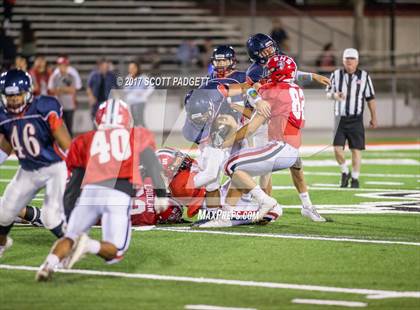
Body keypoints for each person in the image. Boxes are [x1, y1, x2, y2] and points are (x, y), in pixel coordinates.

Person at [36, 99, 168, 281]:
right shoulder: (135, 135)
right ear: (126, 119)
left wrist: (68, 213)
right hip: (118, 192)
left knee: (70, 235)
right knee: (116, 252)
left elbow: (74, 183)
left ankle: (47, 265)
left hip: (90, 191)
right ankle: (88, 245)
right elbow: (152, 162)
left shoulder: (85, 139)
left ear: (98, 120)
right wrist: (161, 194)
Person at [220, 55, 325, 223]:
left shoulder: (272, 91)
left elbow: (250, 94)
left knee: (234, 164)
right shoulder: (296, 89)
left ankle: (265, 202)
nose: (267, 74)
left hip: (278, 142)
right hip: (291, 142)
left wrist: (258, 98)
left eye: (270, 71)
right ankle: (234, 212)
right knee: (257, 169)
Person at [0, 69, 72, 259]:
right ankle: (1, 245)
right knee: (4, 212)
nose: (14, 100)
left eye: (18, 95)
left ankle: (72, 245)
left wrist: (76, 165)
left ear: (28, 92)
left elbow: (64, 139)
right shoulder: (4, 115)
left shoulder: (44, 107)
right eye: (10, 96)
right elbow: (7, 142)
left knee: (51, 218)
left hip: (54, 167)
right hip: (28, 170)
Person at [326, 48, 377, 188]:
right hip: (340, 119)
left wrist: (374, 117)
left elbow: (370, 98)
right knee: (337, 149)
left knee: (356, 149)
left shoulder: (364, 76)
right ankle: (344, 171)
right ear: (343, 60)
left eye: (352, 58)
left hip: (356, 119)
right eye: (347, 58)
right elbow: (327, 92)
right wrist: (335, 96)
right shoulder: (336, 75)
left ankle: (355, 178)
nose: (349, 61)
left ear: (357, 61)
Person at [48, 55, 82, 136]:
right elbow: (51, 90)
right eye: (60, 65)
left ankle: (70, 147)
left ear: (66, 66)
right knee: (58, 127)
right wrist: (65, 89)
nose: (61, 67)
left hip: (69, 105)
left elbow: (73, 90)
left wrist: (60, 89)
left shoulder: (71, 76)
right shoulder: (55, 76)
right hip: (58, 106)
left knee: (69, 127)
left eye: (63, 65)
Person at [124, 61, 154, 126]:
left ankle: (145, 134)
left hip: (140, 101)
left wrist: (144, 94)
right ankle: (136, 134)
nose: (131, 70)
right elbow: (126, 90)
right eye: (130, 68)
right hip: (132, 101)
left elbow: (151, 87)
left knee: (140, 118)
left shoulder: (143, 77)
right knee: (134, 119)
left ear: (137, 68)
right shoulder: (128, 78)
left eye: (133, 68)